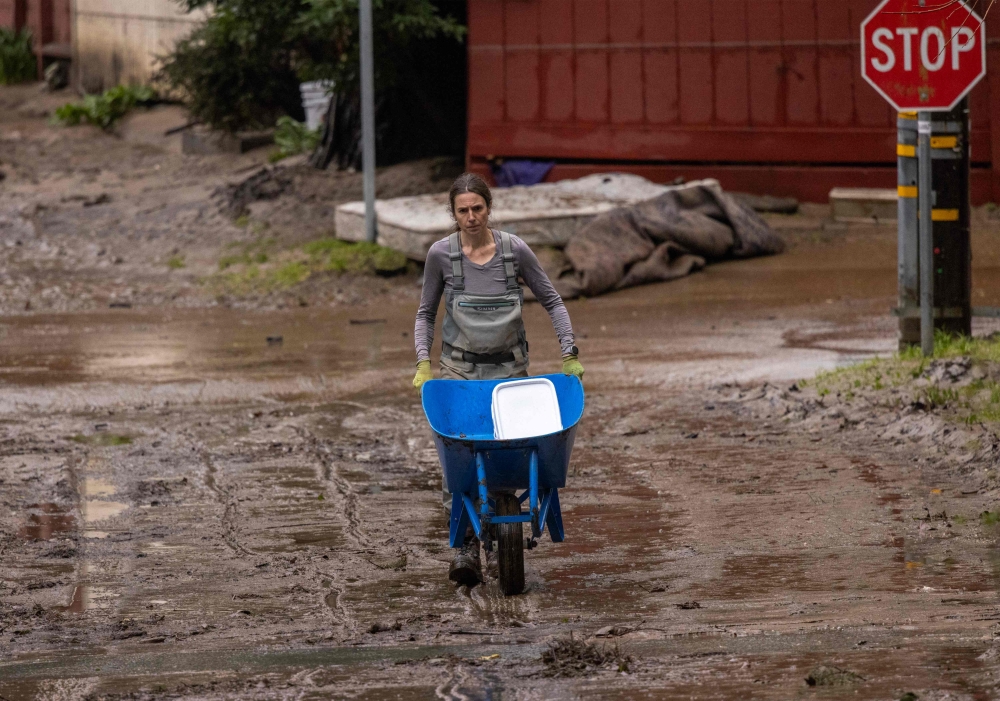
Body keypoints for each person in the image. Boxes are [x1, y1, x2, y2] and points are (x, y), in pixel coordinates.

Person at [412, 173, 584, 586]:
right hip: (459, 371)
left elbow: (553, 301)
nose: (471, 217)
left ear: (489, 208)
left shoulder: (514, 251)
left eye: (478, 208)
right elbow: (425, 314)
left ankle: (501, 518)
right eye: (462, 210)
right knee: (460, 452)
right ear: (453, 214)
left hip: (509, 371)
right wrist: (423, 362)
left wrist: (569, 352)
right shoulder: (441, 255)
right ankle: (466, 545)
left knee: (509, 447)